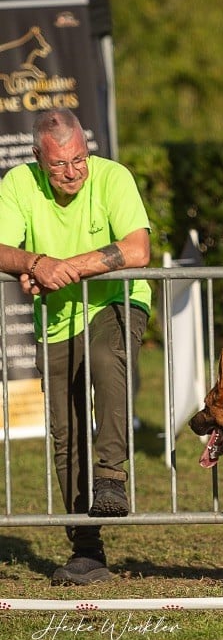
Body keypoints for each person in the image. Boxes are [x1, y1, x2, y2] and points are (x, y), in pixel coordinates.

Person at [0, 108, 151, 585]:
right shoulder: (18, 184)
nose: (72, 172)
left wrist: (66, 267)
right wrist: (35, 262)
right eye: (59, 165)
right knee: (65, 432)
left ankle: (111, 476)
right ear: (37, 158)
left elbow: (138, 249)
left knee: (107, 360)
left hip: (117, 301)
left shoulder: (114, 177)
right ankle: (86, 548)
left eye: (79, 159)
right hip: (59, 317)